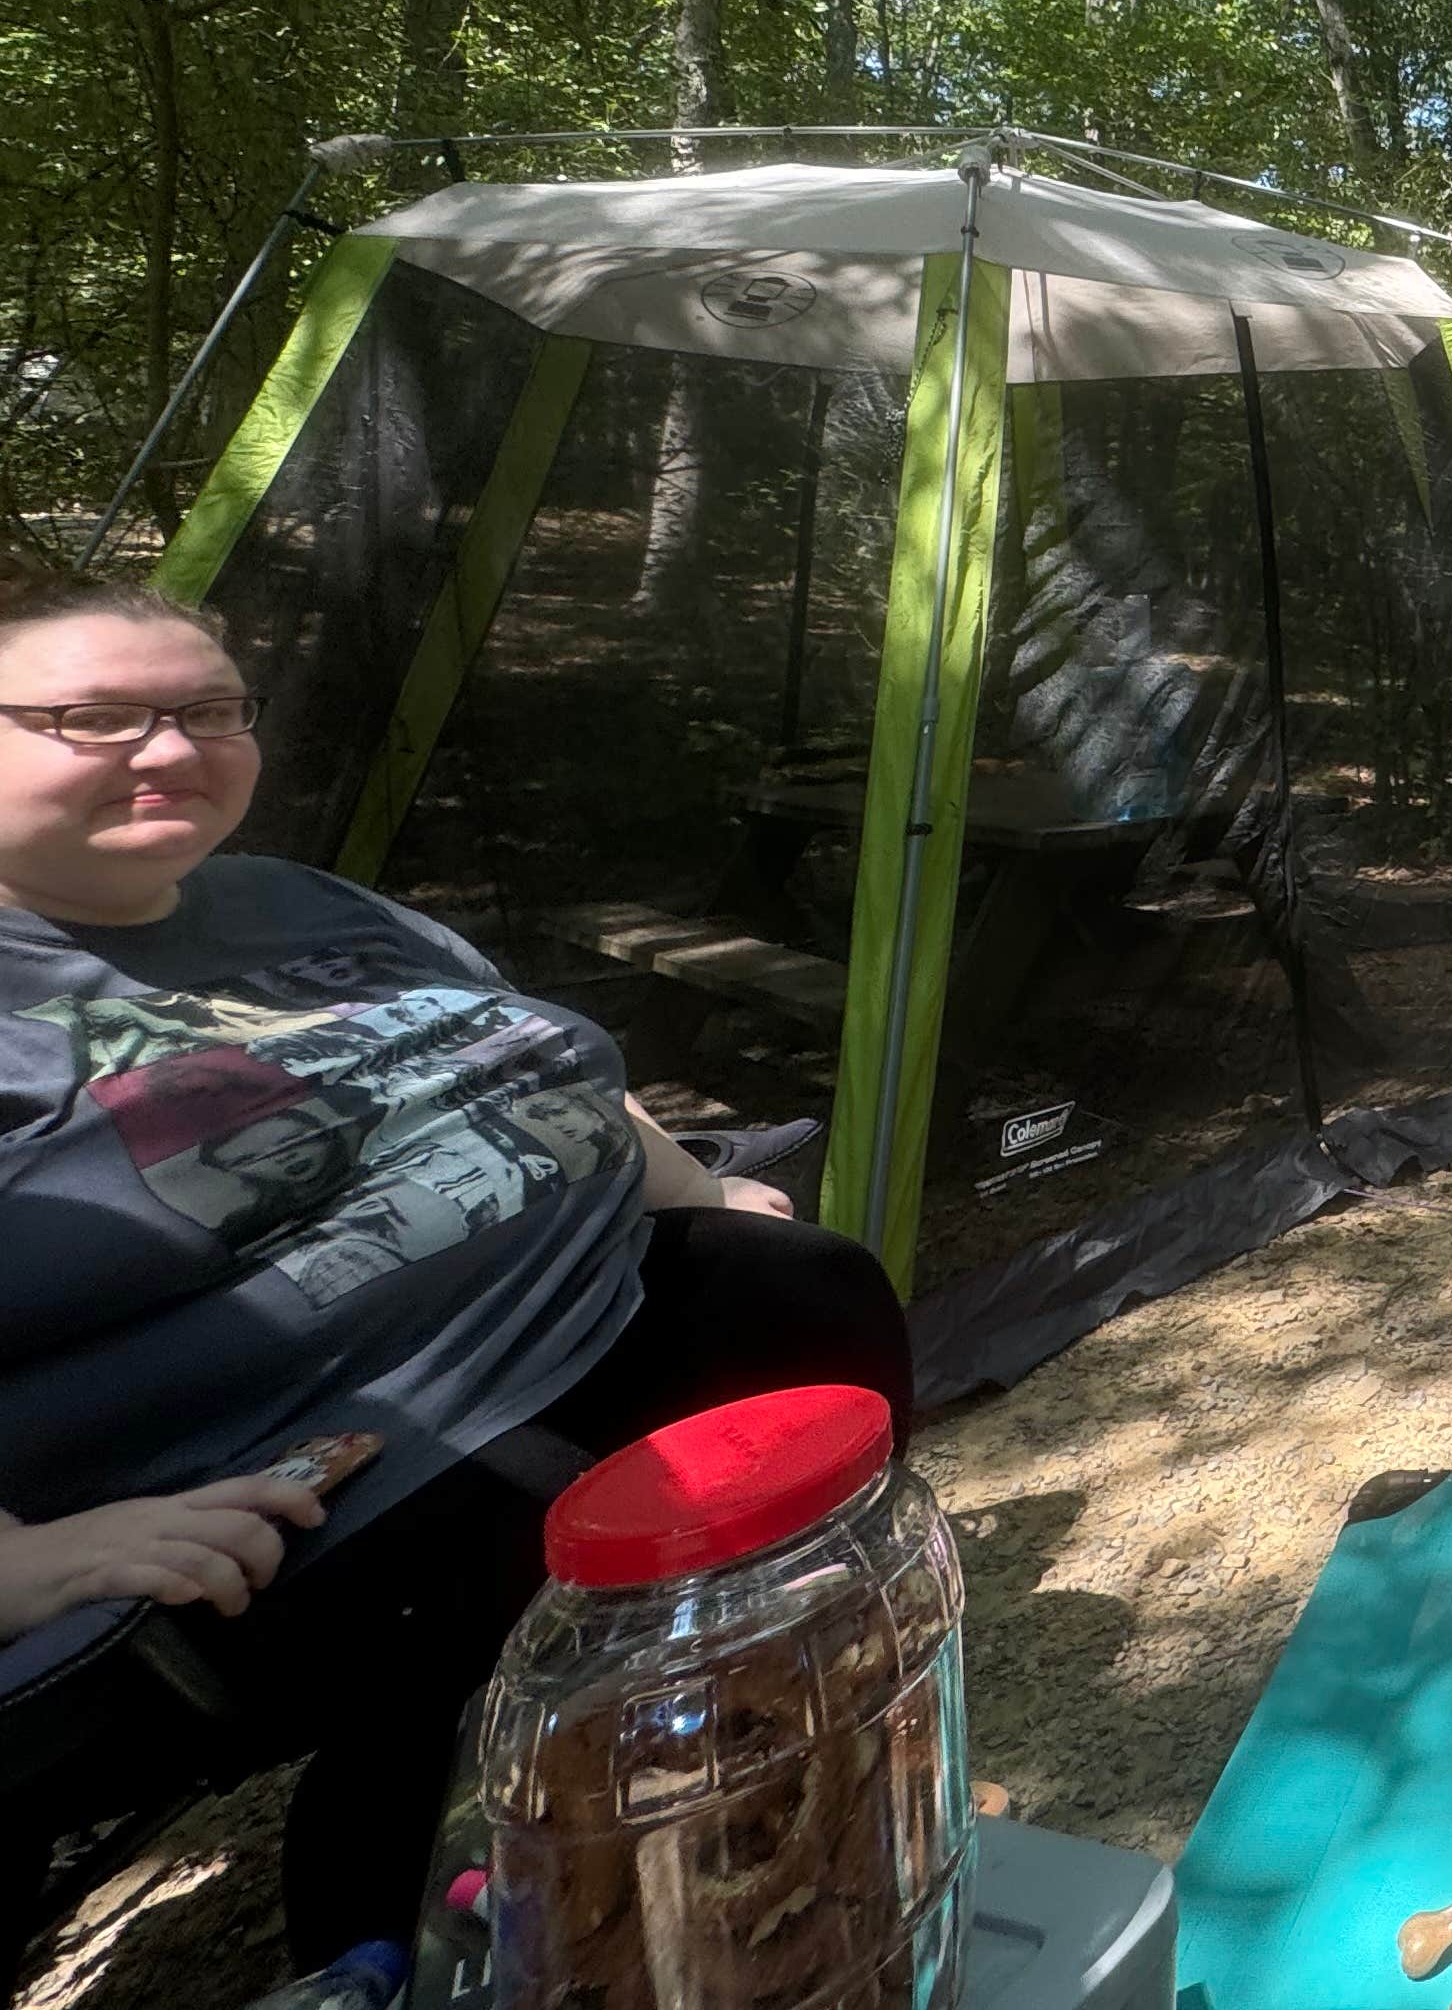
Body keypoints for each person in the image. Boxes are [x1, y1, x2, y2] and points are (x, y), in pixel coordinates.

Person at [0, 564, 915, 1974]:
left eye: (207, 710)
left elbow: (530, 1061)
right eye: (96, 719)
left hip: (566, 1337)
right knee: (509, 1652)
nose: (174, 749)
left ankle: (747, 1784)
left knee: (799, 1299)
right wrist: (30, 1562)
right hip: (308, 1478)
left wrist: (709, 1191)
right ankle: (457, 1929)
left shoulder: (289, 902)